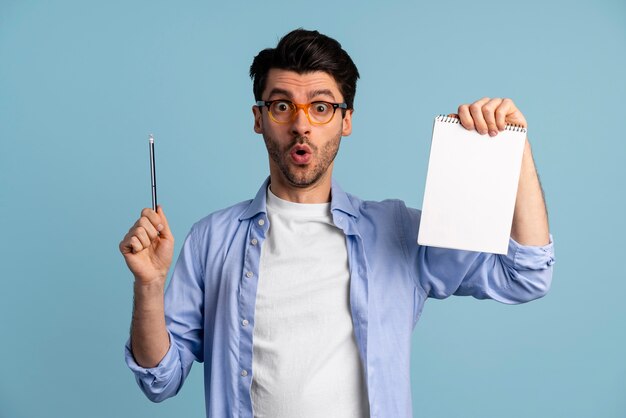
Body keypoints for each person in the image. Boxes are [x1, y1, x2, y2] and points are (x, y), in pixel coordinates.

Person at [119, 28, 554, 418]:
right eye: (282, 105)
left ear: (346, 120)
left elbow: (526, 275)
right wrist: (150, 287)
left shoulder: (396, 232)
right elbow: (160, 379)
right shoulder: (211, 240)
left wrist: (517, 148)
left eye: (322, 107)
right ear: (259, 119)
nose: (301, 124)